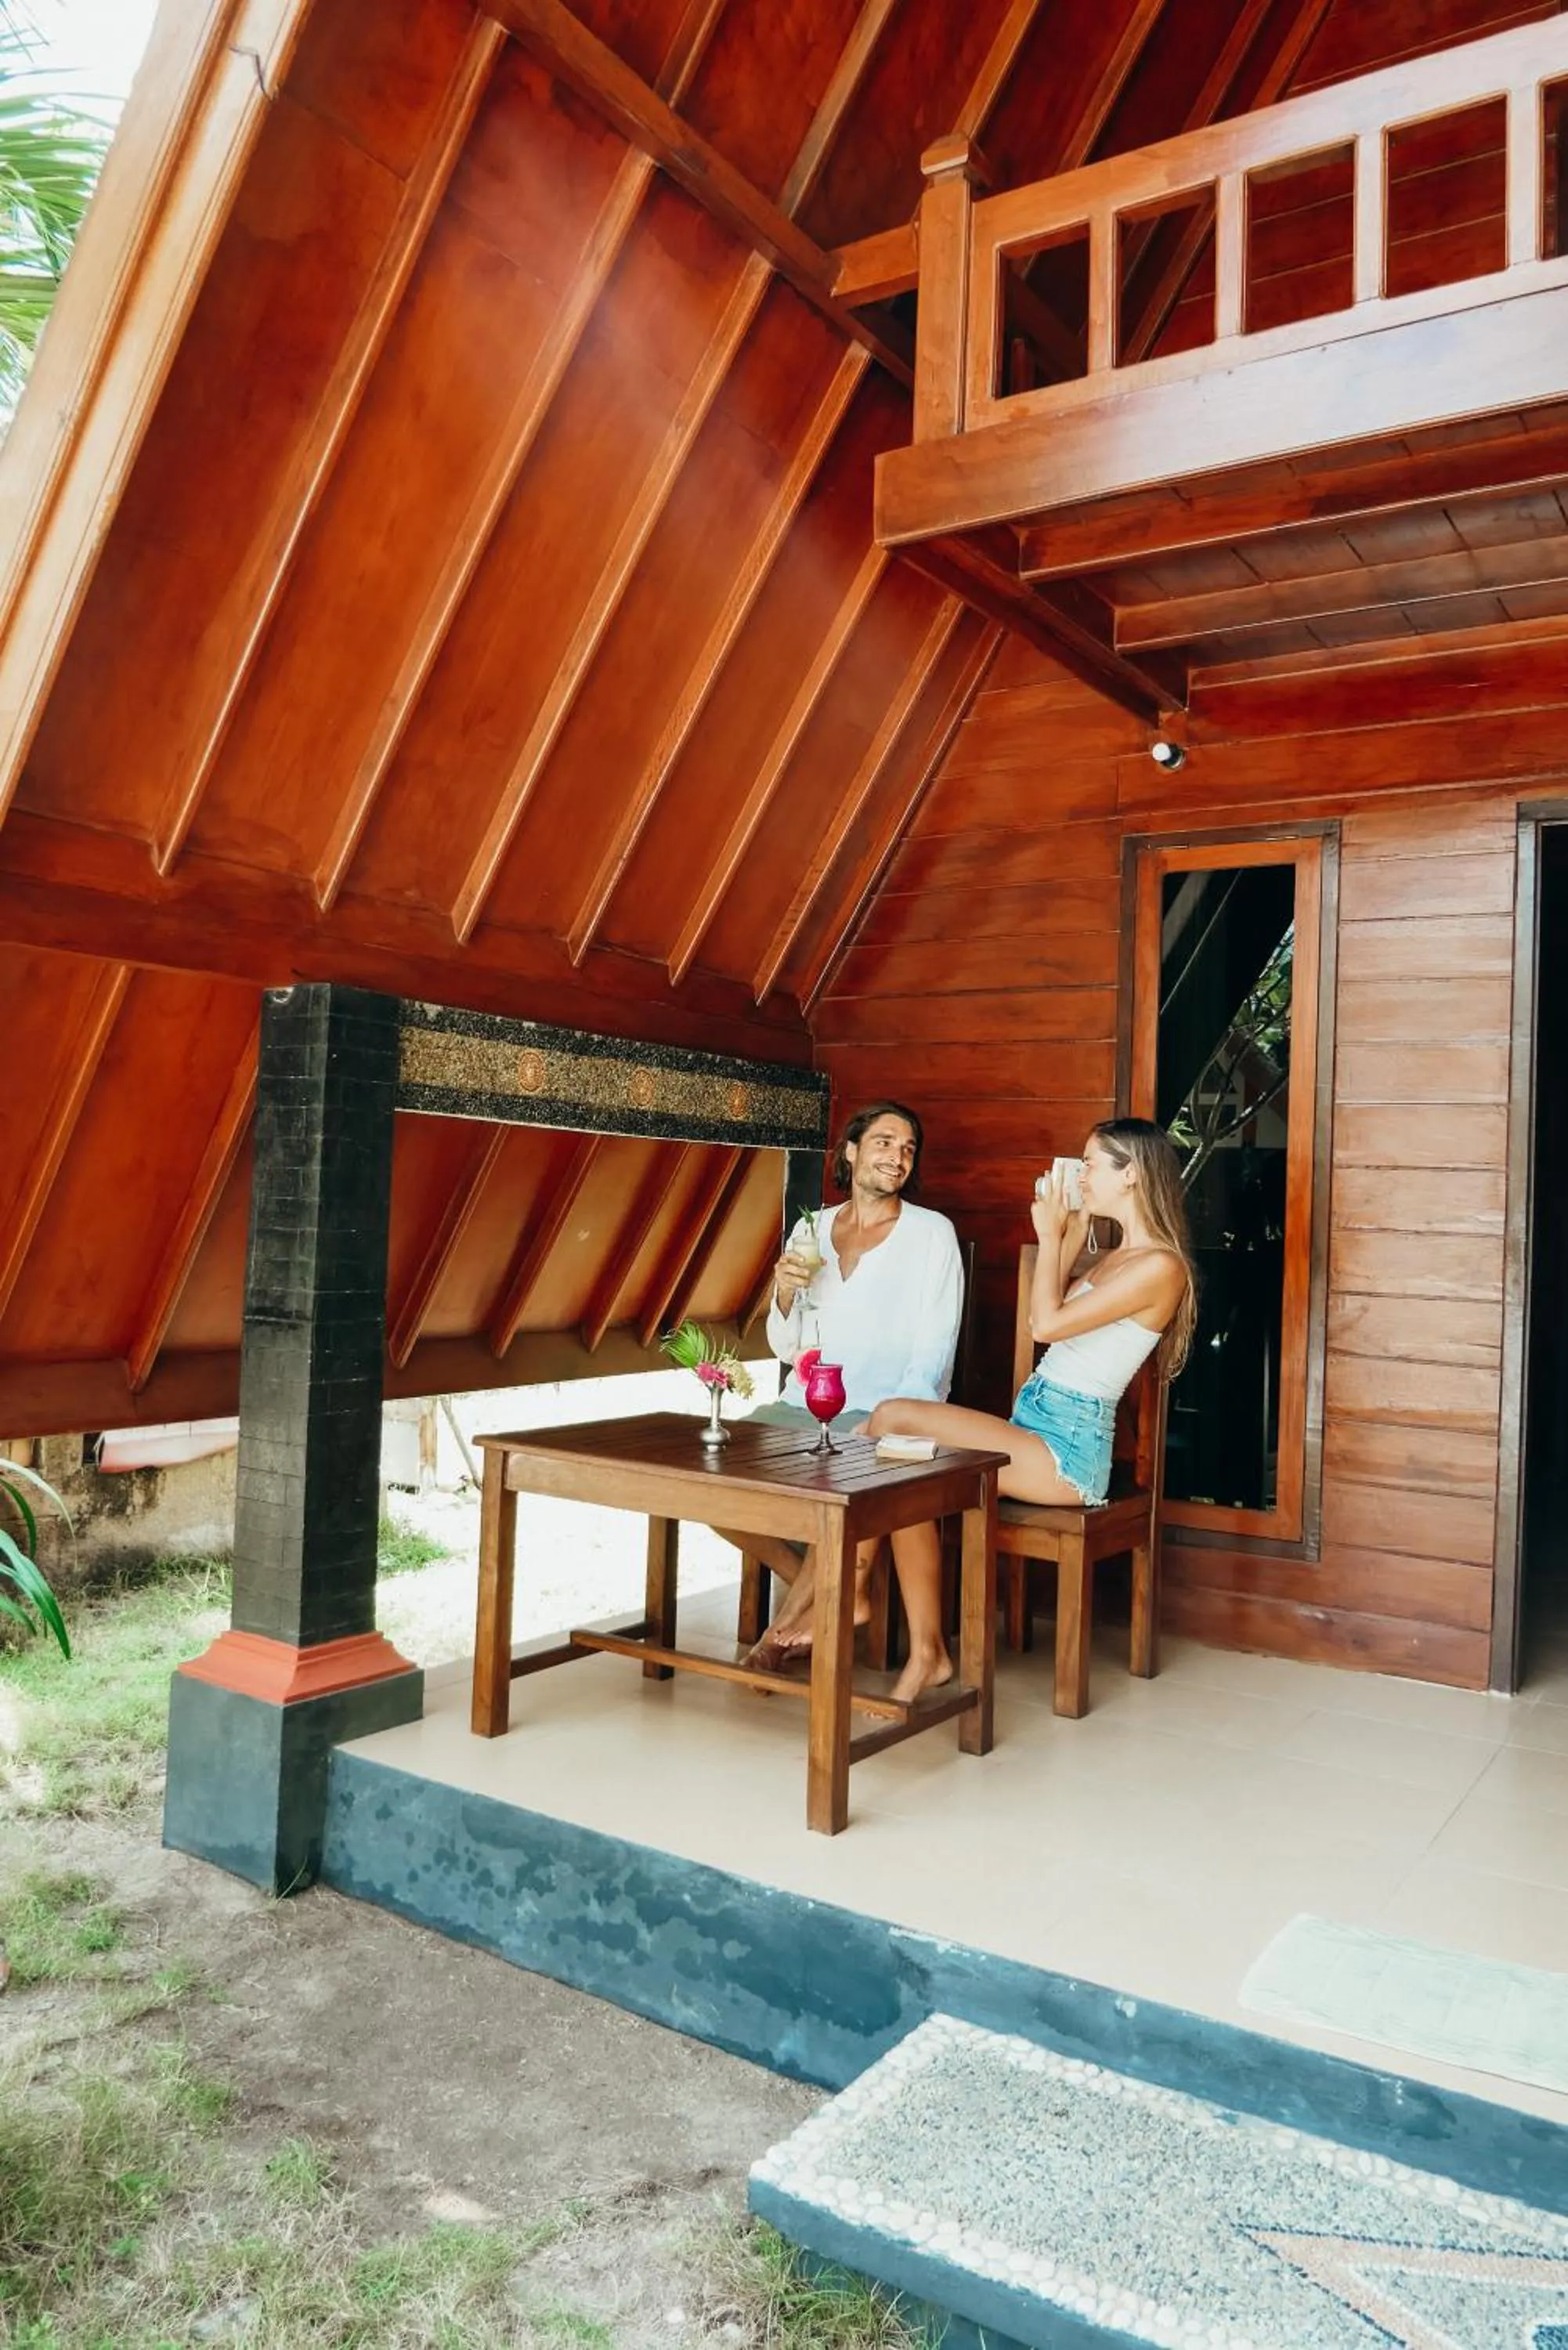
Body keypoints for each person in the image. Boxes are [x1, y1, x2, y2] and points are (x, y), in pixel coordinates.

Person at [866, 1117, 1197, 1705]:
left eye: (1091, 1164)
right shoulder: (1114, 1257)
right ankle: (924, 1650)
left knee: (893, 1419)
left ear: (1131, 1175)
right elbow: (1041, 1312)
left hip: (1067, 1455)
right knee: (899, 1459)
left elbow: (1044, 1325)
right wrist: (1069, 1229)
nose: (1081, 1175)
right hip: (1034, 1428)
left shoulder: (1160, 1267)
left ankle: (848, 1594)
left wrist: (1048, 1235)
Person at [718, 1101, 963, 1663]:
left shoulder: (932, 1234)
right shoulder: (813, 1228)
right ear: (851, 1152)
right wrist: (783, 1292)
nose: (897, 1157)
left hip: (878, 1411)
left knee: (837, 1492)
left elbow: (935, 1350)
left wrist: (889, 1427)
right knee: (711, 1479)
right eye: (884, 1143)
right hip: (802, 1402)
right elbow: (786, 1345)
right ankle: (830, 1591)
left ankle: (777, 1637)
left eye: (908, 1149)